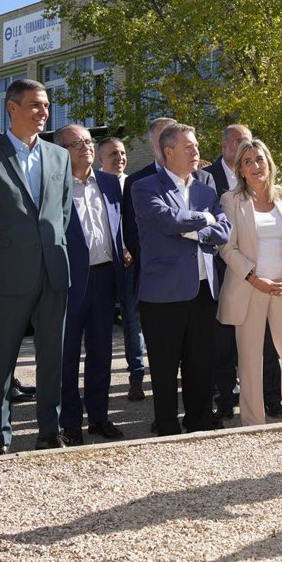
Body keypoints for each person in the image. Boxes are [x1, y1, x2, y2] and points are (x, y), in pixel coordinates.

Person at [0, 79, 72, 454]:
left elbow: (62, 214)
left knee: (52, 358)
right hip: (7, 273)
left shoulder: (58, 156)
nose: (44, 112)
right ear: (12, 107)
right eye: (36, 104)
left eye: (47, 105)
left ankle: (49, 431)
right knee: (2, 358)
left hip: (53, 270)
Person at [132, 123, 232, 435]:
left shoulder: (205, 189)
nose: (196, 151)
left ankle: (198, 422)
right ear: (168, 152)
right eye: (188, 147)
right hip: (162, 293)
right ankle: (166, 427)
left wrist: (192, 230)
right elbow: (167, 220)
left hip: (203, 290)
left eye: (196, 145)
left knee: (200, 363)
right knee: (164, 366)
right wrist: (204, 220)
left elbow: (224, 230)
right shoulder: (144, 187)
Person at [220, 139, 282, 426]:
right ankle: (252, 422)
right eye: (247, 162)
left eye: (259, 159)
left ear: (268, 163)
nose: (255, 166)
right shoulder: (231, 200)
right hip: (250, 287)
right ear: (240, 170)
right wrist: (253, 278)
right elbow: (227, 247)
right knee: (250, 359)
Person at [203, 123, 282, 419]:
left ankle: (271, 397)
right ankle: (226, 398)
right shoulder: (206, 177)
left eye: (247, 141)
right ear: (224, 145)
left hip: (263, 274)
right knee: (224, 343)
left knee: (266, 342)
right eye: (237, 141)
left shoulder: (268, 183)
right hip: (223, 271)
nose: (242, 146)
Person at [56, 124, 128, 445]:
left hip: (105, 277)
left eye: (87, 141)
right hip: (70, 281)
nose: (85, 147)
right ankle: (70, 423)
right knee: (67, 356)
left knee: (101, 353)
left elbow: (121, 224)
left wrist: (125, 248)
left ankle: (99, 417)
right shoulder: (54, 187)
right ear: (62, 152)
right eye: (76, 144)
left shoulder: (110, 183)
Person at [121, 117, 181, 403]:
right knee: (158, 344)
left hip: (189, 276)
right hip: (153, 276)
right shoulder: (137, 181)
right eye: (162, 136)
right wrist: (154, 259)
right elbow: (130, 230)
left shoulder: (199, 177)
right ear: (152, 144)